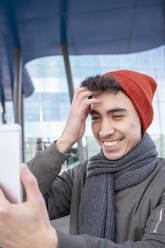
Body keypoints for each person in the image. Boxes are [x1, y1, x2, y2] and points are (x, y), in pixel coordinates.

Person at [0, 70, 165, 248]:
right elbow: (17, 199)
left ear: (142, 120)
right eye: (96, 118)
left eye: (117, 116)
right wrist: (66, 139)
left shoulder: (161, 179)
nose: (104, 131)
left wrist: (53, 242)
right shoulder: (82, 174)